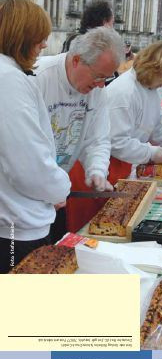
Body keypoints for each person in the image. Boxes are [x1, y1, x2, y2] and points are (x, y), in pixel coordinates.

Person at [0, 0, 70, 272]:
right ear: (21, 36)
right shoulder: (8, 80)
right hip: (17, 225)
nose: (44, 44)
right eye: (39, 37)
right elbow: (26, 163)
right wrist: (59, 187)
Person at [35, 26, 123, 235]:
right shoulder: (39, 77)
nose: (101, 86)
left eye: (106, 79)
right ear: (76, 60)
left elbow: (98, 138)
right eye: (98, 76)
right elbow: (23, 148)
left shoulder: (97, 90)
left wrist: (97, 170)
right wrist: (45, 186)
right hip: (27, 195)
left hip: (57, 190)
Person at [106, 41, 162, 178]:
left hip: (124, 162)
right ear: (154, 69)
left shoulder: (150, 88)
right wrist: (154, 153)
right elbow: (117, 142)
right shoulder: (124, 92)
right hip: (106, 165)